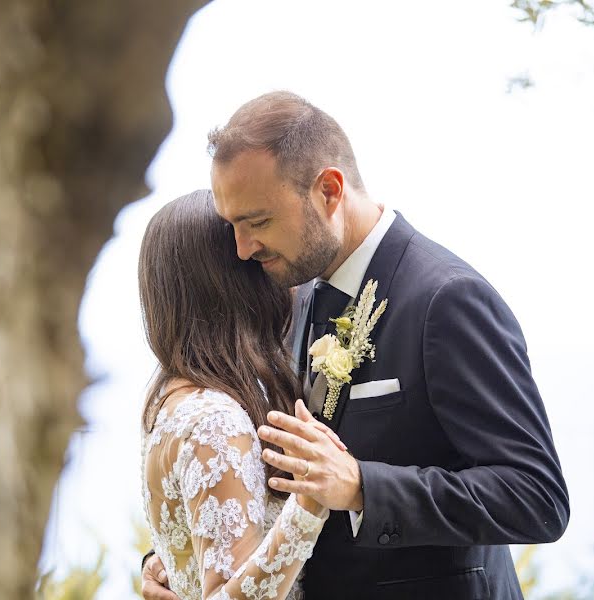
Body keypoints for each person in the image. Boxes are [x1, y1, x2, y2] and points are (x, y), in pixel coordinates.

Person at [142, 92, 569, 599]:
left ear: (328, 189)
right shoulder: (292, 293)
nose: (242, 249)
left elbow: (536, 496)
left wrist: (363, 486)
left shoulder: (445, 300)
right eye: (232, 224)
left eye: (257, 222)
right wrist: (176, 558)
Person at [139, 189, 352, 600]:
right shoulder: (215, 420)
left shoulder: (170, 397)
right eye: (257, 263)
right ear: (235, 283)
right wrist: (308, 509)